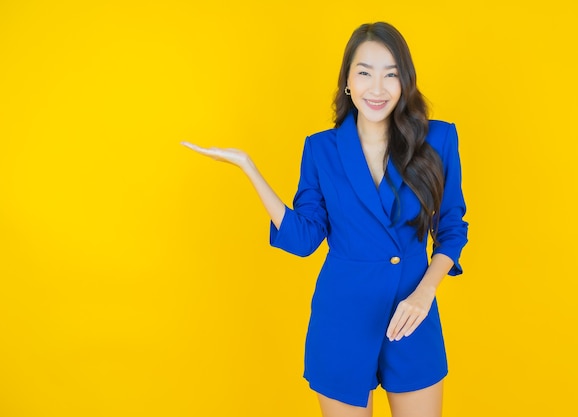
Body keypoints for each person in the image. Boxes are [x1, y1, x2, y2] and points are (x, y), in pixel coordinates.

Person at [182, 22, 468, 417]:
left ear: (405, 81)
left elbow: (451, 227)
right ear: (348, 81)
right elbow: (304, 239)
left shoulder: (438, 139)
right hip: (343, 320)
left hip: (412, 318)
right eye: (364, 73)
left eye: (391, 74)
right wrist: (249, 168)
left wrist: (425, 292)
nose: (377, 87)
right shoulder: (321, 150)